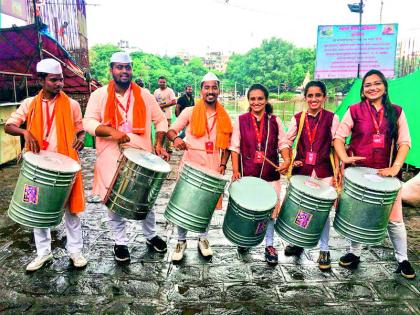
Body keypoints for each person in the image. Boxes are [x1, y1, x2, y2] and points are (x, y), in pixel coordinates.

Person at [83, 52, 169, 263]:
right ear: (111, 70)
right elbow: (88, 123)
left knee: (145, 200)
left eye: (128, 67)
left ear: (131, 70)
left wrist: (158, 143)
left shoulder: (145, 95)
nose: (124, 71)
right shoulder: (100, 95)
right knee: (114, 202)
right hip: (111, 156)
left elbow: (161, 121)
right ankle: (120, 242)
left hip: (142, 157)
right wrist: (112, 133)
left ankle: (150, 235)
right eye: (119, 67)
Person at [5, 58, 87, 271]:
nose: (59, 84)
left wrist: (80, 137)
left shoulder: (72, 104)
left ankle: (75, 251)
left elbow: (80, 129)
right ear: (40, 80)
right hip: (36, 167)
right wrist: (25, 132)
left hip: (66, 165)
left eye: (61, 80)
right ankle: (43, 254)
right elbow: (9, 126)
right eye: (53, 80)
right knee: (35, 208)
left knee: (72, 209)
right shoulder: (29, 103)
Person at [334, 69, 416, 279]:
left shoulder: (396, 111)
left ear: (384, 87)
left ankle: (403, 259)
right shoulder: (354, 110)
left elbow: (405, 142)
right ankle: (354, 253)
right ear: (363, 91)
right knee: (358, 215)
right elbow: (338, 138)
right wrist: (344, 157)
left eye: (377, 83)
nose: (372, 88)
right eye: (368, 85)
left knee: (395, 219)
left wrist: (396, 168)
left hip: (386, 176)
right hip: (358, 175)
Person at [166, 72, 232, 262]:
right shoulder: (190, 112)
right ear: (201, 90)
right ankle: (181, 241)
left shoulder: (224, 115)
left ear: (219, 90)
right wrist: (177, 139)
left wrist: (222, 164)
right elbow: (172, 131)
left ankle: (203, 239)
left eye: (214, 87)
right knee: (183, 203)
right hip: (191, 164)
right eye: (206, 87)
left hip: (212, 165)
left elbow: (227, 145)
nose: (210, 91)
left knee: (206, 205)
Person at [230, 83, 290, 265]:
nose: (256, 102)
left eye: (260, 99)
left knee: (271, 212)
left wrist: (286, 160)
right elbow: (235, 147)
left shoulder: (275, 121)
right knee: (248, 209)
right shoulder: (240, 120)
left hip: (270, 175)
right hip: (249, 174)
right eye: (253, 99)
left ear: (266, 100)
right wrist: (235, 170)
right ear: (248, 100)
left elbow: (283, 144)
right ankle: (244, 239)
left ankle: (269, 245)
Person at [286, 80, 340, 271]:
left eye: (318, 95)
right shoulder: (297, 118)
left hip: (324, 172)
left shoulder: (332, 118)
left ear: (324, 97)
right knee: (301, 209)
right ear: (305, 97)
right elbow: (286, 142)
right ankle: (298, 242)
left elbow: (337, 144)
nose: (314, 99)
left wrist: (339, 172)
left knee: (322, 213)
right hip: (303, 173)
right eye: (310, 95)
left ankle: (324, 250)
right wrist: (290, 161)